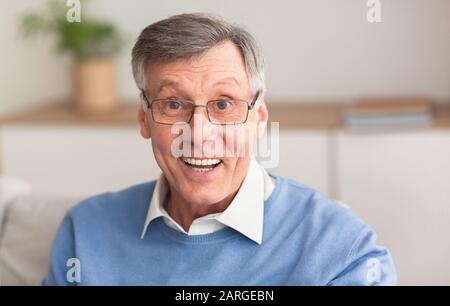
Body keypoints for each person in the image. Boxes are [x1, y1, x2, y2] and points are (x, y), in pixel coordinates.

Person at [43, 13, 396, 285]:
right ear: (144, 119)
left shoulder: (344, 251)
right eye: (173, 104)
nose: (199, 134)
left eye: (224, 105)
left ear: (258, 116)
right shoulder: (84, 232)